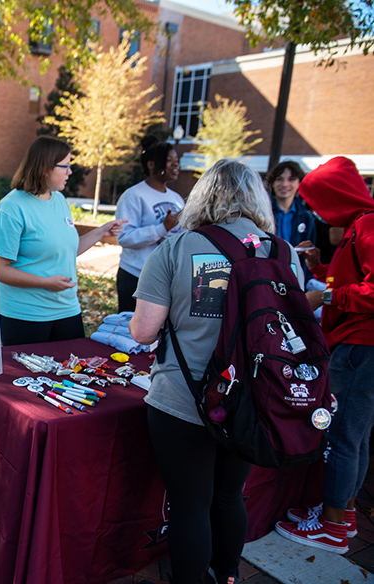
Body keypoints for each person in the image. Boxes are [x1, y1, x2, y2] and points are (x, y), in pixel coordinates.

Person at [129, 159, 304, 584]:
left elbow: (143, 331)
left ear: (203, 196)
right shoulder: (283, 252)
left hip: (183, 401)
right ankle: (226, 575)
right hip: (254, 400)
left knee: (191, 505)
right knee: (229, 497)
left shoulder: (176, 247)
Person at [274, 157, 374, 555]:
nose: (315, 212)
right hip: (357, 342)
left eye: (318, 202)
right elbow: (359, 276)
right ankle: (343, 511)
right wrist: (325, 266)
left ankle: (331, 526)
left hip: (359, 346)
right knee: (359, 435)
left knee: (343, 435)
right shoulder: (358, 226)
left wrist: (328, 295)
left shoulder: (367, 226)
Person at [0, 136, 126, 346]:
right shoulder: (11, 208)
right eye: (65, 167)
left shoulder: (60, 201)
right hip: (26, 316)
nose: (70, 172)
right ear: (45, 168)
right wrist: (45, 283)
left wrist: (101, 232)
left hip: (67, 310)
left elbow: (65, 250)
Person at [115, 135, 184, 313]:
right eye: (169, 161)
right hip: (135, 276)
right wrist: (162, 228)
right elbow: (124, 237)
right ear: (152, 164)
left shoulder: (176, 199)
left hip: (166, 278)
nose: (176, 165)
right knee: (132, 333)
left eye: (176, 160)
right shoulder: (133, 196)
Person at [265, 160, 316, 283]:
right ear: (272, 183)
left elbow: (309, 255)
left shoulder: (306, 217)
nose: (285, 184)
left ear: (299, 183)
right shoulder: (262, 213)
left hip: (295, 279)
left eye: (291, 179)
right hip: (267, 276)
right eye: (279, 179)